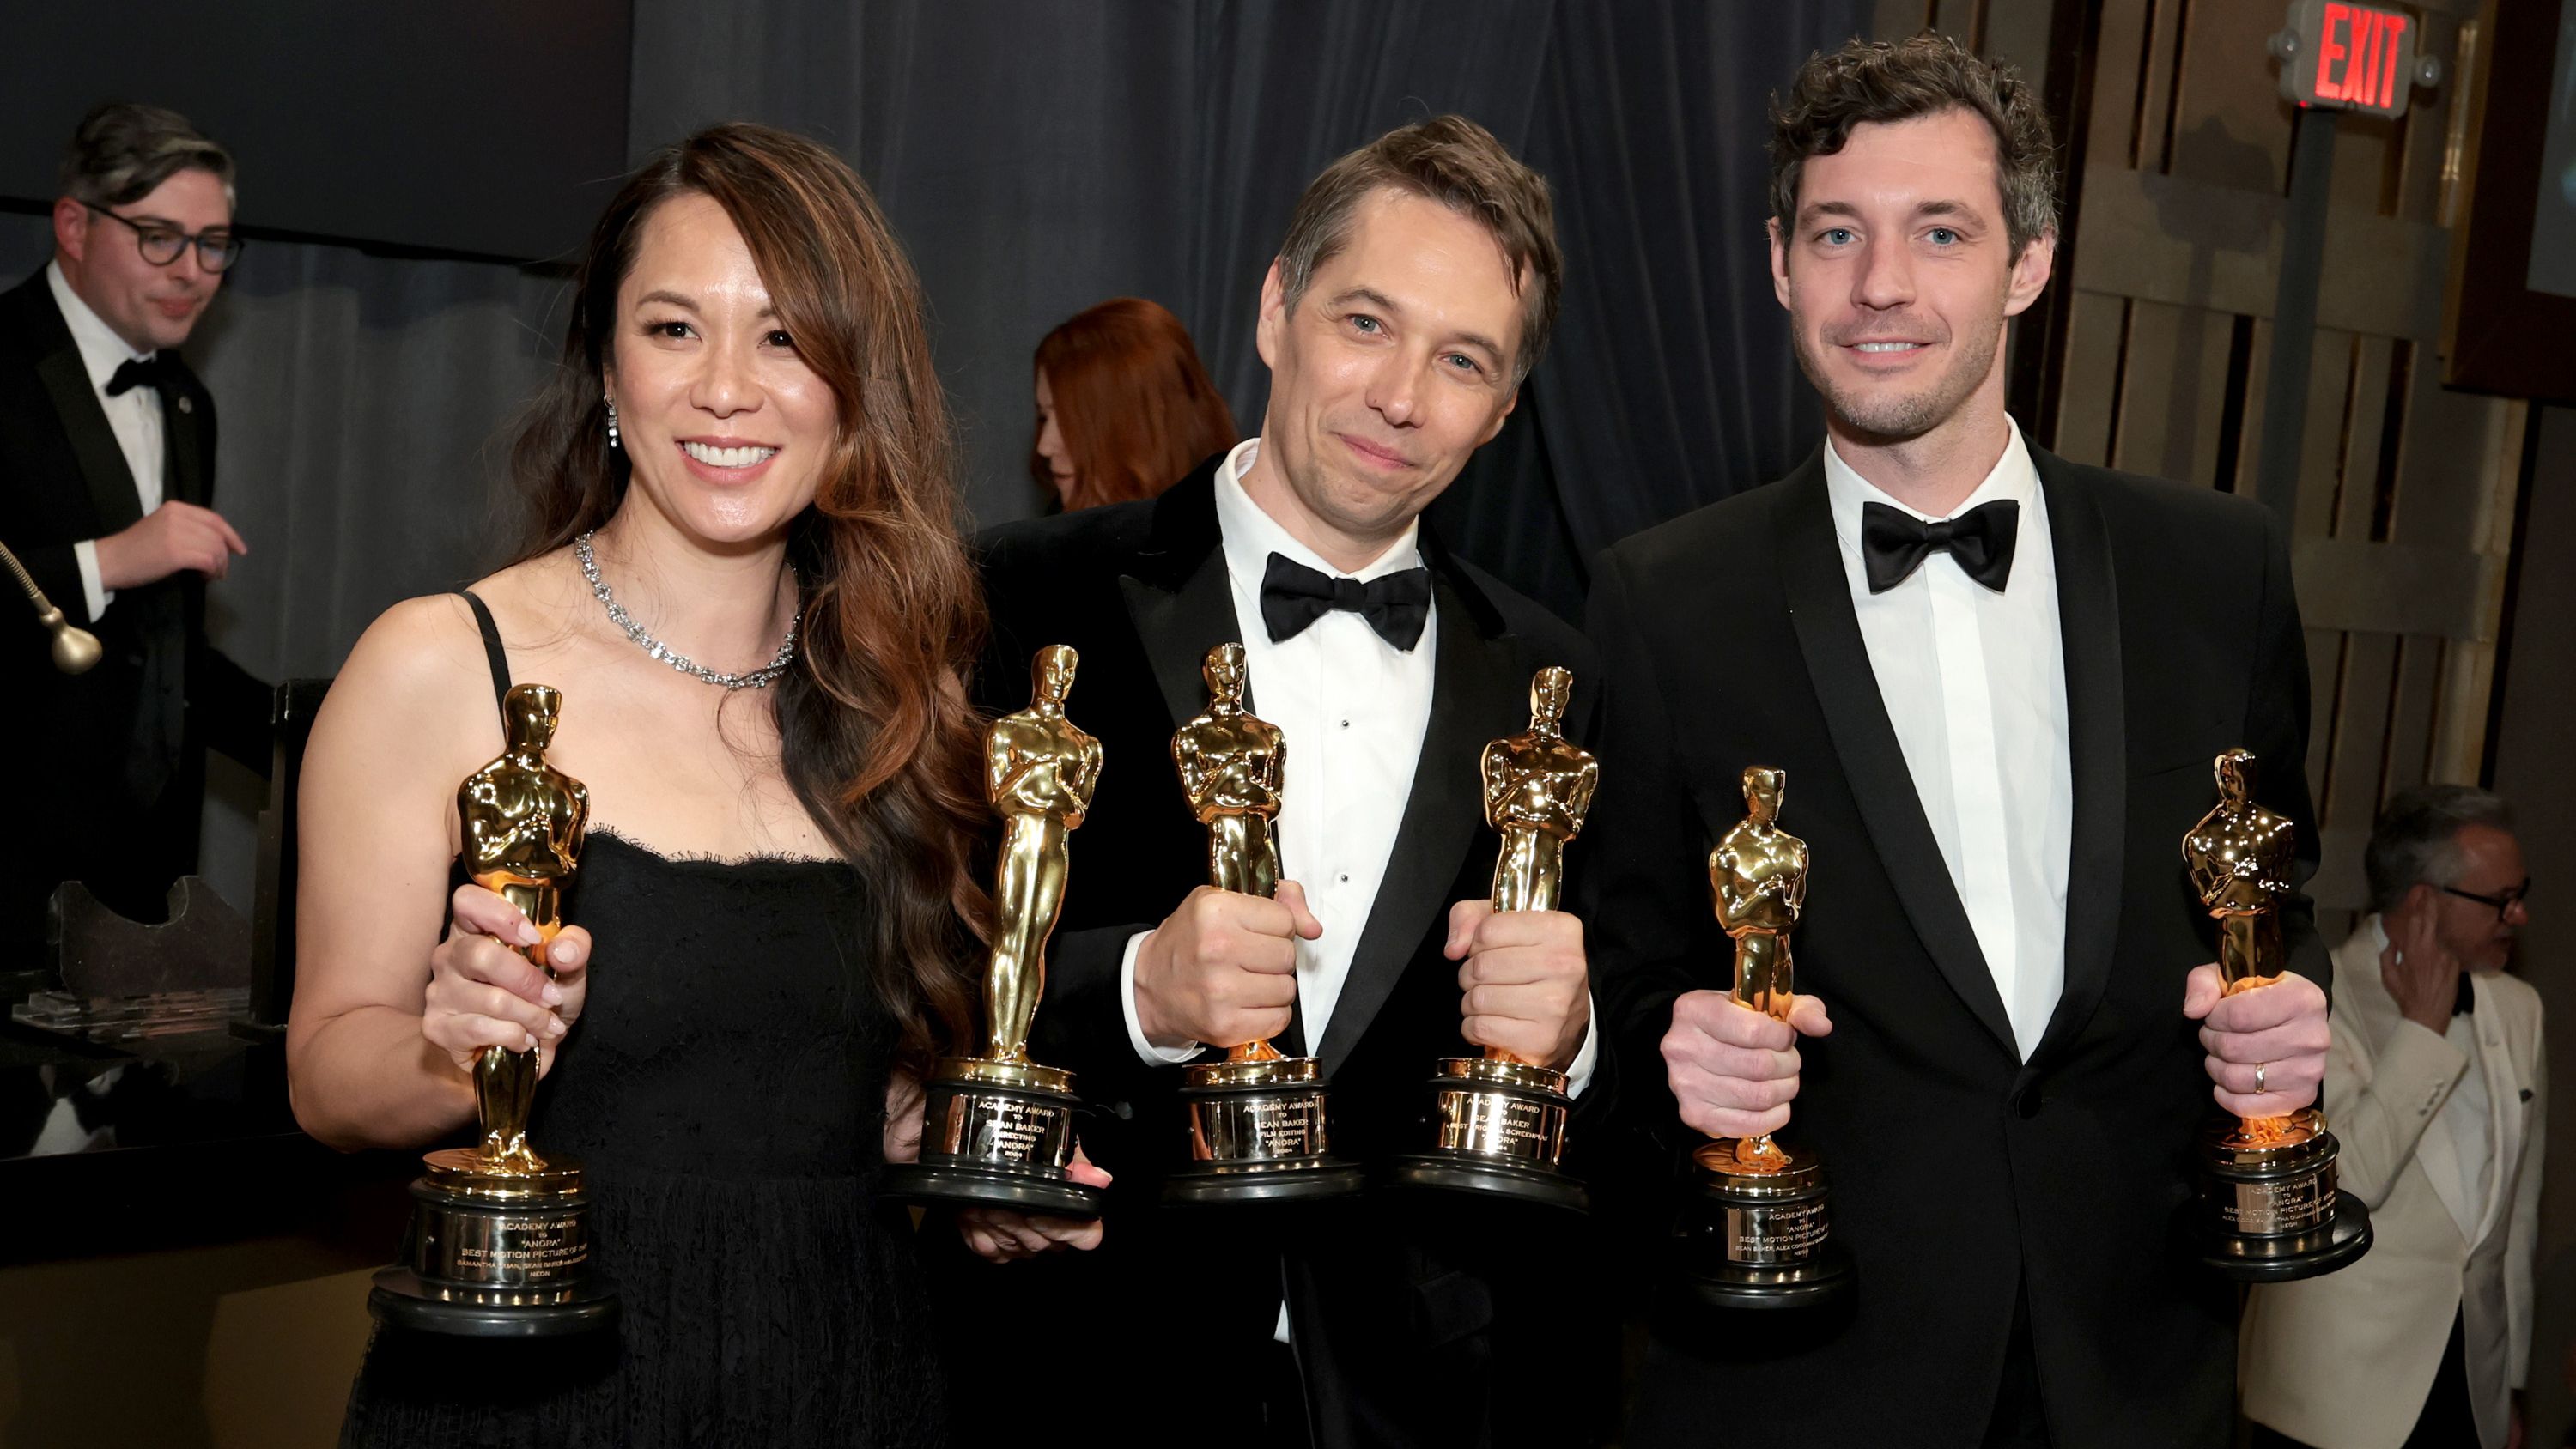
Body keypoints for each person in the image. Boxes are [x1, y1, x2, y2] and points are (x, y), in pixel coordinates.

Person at [284, 123, 1098, 1448]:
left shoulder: (905, 704)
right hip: (542, 1402)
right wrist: (455, 1045)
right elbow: (326, 1077)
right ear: (608, 367)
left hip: (852, 1381)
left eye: (783, 338)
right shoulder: (444, 666)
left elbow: (846, 1091)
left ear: (851, 391)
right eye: (674, 329)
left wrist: (977, 1164)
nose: (728, 387)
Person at [1581, 36, 2331, 1448]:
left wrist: (2296, 1015)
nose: (1880, 284)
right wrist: (1664, 1047)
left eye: (1941, 231)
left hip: (2134, 1374)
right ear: (1778, 263)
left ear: (2030, 262)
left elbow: (2280, 905)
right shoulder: (1663, 600)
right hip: (1800, 1381)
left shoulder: (2214, 569)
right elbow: (1618, 988)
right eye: (1835, 233)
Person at [958, 115, 1610, 1446]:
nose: (1401, 394)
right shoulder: (1024, 594)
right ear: (1275, 310)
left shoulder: (1556, 678)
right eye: (1366, 322)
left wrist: (1575, 1034)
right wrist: (1134, 989)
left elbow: (1630, 1042)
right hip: (1080, 1362)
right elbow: (897, 955)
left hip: (1419, 1391)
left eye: (1463, 359)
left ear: (1501, 411)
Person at [0, 102, 267, 949]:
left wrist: (327, 730)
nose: (191, 269)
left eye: (213, 243)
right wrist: (107, 560)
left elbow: (165, 650)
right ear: (74, 227)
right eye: (159, 236)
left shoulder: (190, 401)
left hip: (139, 885)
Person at [2242, 785, 2544, 1449]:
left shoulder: (2519, 1008)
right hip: (2336, 1398)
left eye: (2520, 893)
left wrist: (2511, 1384)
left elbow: (2516, 1217)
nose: (2518, 916)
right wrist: (2424, 1032)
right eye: (2501, 900)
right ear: (2424, 903)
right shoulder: (2313, 997)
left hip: (2471, 1388)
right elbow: (2342, 1186)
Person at [1030, 295, 1235, 510]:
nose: (1044, 447)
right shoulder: (1047, 536)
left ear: (1137, 425)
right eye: (1044, 417)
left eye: (1067, 419)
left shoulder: (1225, 535)